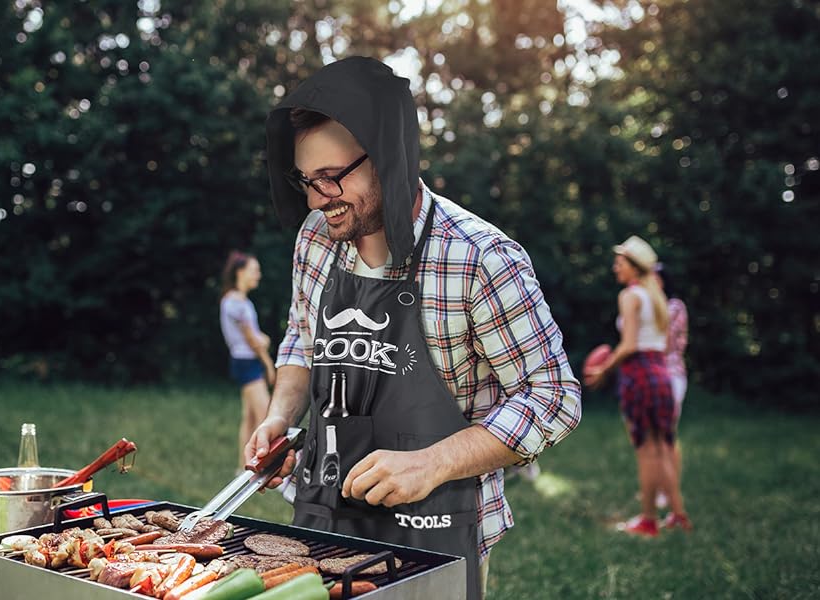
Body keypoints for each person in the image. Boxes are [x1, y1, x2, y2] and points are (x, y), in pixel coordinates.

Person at [246, 56, 582, 599]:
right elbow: (301, 340)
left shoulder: (480, 257)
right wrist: (280, 417)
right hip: (321, 517)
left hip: (437, 532)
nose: (315, 199)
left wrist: (433, 462)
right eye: (306, 180)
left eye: (332, 177)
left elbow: (554, 398)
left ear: (388, 158)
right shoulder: (315, 237)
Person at [584, 236, 691, 536]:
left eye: (620, 263)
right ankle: (679, 514)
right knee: (664, 446)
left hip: (639, 375)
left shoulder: (631, 296)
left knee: (645, 450)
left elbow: (629, 344)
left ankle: (647, 519)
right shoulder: (655, 294)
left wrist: (604, 369)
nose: (615, 268)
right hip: (661, 375)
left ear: (634, 266)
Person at [219, 251, 276, 472]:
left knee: (250, 417)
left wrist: (261, 339)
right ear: (240, 272)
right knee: (266, 416)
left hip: (244, 361)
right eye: (254, 270)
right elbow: (253, 339)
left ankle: (243, 468)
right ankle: (269, 468)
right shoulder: (235, 303)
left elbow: (252, 335)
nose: (258, 275)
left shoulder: (237, 301)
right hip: (248, 362)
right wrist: (269, 365)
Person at [655, 263, 688, 516]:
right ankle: (657, 488)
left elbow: (665, 345)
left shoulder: (674, 306)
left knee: (666, 436)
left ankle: (669, 491)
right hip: (652, 376)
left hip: (670, 375)